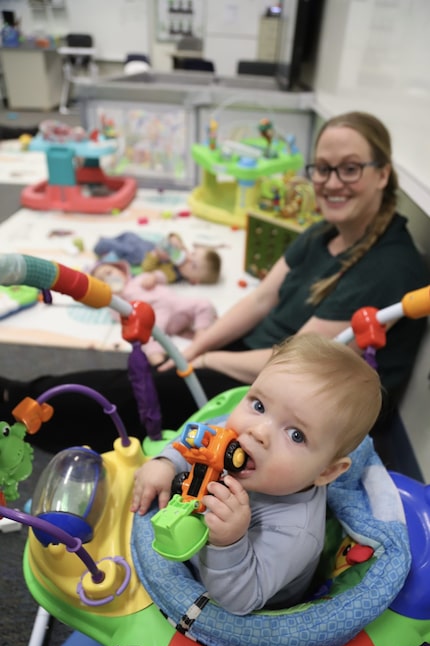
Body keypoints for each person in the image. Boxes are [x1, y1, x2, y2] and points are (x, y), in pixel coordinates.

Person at [0, 111, 428, 457]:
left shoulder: (389, 267)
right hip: (253, 362)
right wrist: (196, 347)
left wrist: (207, 361)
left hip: (282, 396)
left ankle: (15, 405)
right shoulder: (324, 232)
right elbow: (261, 299)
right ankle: (20, 396)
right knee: (139, 376)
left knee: (117, 399)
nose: (332, 183)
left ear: (383, 174)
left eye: (350, 169)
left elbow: (295, 368)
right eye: (324, 169)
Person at [131, 333, 382, 615]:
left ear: (326, 471)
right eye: (259, 406)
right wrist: (167, 462)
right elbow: (203, 436)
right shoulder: (242, 438)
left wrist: (230, 541)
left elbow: (239, 601)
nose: (258, 432)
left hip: (240, 606)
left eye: (296, 434)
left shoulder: (295, 531)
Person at [91, 259, 217, 365]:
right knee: (146, 339)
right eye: (103, 280)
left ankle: (199, 343)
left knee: (204, 304)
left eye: (109, 272)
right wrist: (116, 299)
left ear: (122, 271)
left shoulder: (141, 278)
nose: (108, 278)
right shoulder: (117, 300)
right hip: (155, 315)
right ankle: (160, 365)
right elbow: (121, 317)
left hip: (176, 304)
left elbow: (162, 277)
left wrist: (153, 277)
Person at [94, 231, 222, 288]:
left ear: (194, 280)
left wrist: (155, 255)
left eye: (193, 266)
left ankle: (101, 244)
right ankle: (118, 238)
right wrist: (174, 239)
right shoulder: (182, 251)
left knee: (123, 248)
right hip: (146, 244)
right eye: (193, 254)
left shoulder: (171, 274)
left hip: (140, 256)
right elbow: (174, 235)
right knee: (130, 236)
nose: (188, 259)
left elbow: (147, 269)